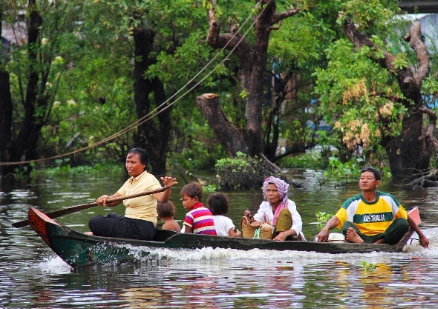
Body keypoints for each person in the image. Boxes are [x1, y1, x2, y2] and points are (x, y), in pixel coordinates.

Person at [316, 167, 429, 248]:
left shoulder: (388, 199)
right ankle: (362, 242)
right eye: (362, 178)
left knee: (403, 223)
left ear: (377, 183)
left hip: (384, 236)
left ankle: (376, 243)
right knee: (346, 225)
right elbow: (336, 218)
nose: (364, 181)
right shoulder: (353, 202)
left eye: (369, 178)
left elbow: (408, 218)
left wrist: (421, 235)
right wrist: (325, 229)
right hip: (361, 236)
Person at [87, 147, 178, 240]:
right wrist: (105, 198)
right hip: (130, 223)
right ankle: (98, 233)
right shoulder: (130, 181)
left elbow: (163, 199)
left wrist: (167, 187)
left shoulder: (150, 180)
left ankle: (97, 234)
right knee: (111, 215)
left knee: (94, 221)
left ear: (144, 164)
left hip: (142, 228)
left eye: (133, 162)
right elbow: (114, 200)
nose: (129, 165)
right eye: (127, 162)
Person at [250, 176, 305, 241]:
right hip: (273, 236)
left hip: (290, 237)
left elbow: (298, 225)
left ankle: (280, 237)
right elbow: (258, 217)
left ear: (281, 192)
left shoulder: (289, 204)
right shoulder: (265, 205)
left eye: (274, 191)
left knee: (284, 212)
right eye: (268, 190)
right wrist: (254, 221)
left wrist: (284, 234)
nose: (270, 194)